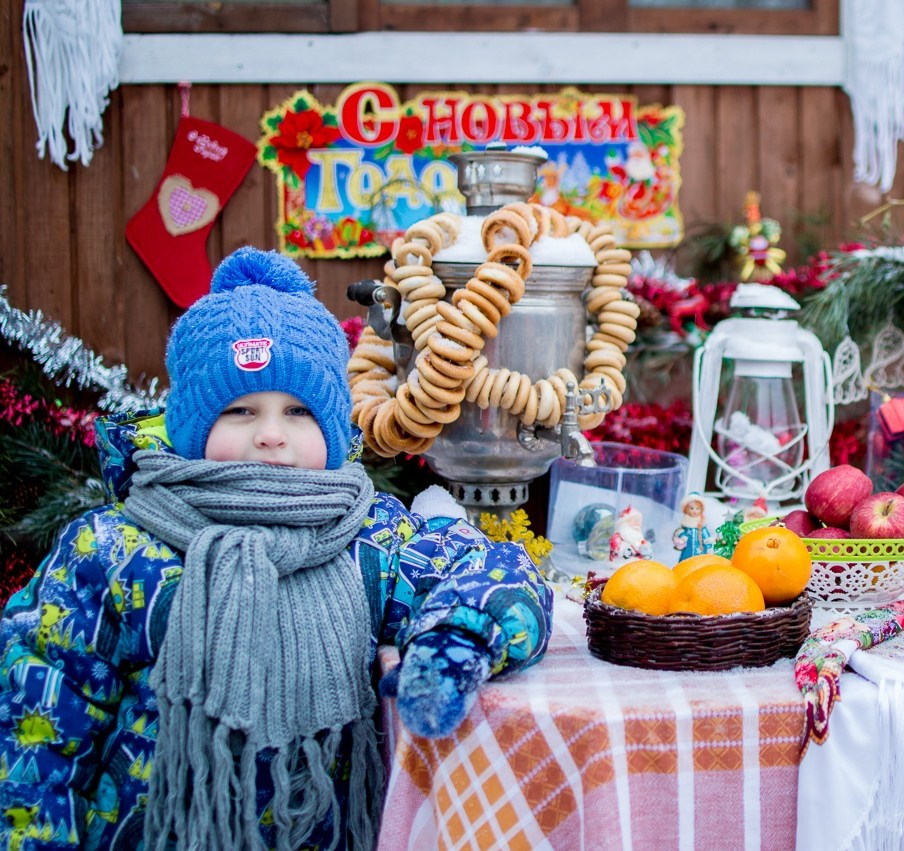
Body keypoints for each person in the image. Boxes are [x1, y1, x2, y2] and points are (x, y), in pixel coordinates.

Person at [0, 247, 554, 850]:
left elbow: (491, 568)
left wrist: (458, 641)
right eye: (239, 410)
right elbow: (37, 723)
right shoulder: (114, 549)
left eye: (298, 411)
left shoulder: (367, 539)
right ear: (190, 428)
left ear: (334, 428)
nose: (270, 434)